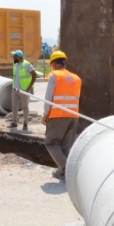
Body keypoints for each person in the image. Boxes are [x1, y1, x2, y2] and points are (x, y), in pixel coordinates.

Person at [42, 51, 81, 180]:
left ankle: (66, 169)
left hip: (58, 115)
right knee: (65, 146)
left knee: (51, 143)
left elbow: (48, 98)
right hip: (73, 116)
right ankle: (63, 173)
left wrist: (45, 115)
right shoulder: (77, 78)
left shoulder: (54, 76)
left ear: (53, 64)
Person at [10, 50, 37, 131]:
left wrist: (29, 87)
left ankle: (25, 123)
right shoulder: (15, 64)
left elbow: (34, 75)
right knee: (14, 106)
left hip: (24, 90)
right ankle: (14, 122)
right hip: (15, 89)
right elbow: (14, 75)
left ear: (18, 57)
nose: (13, 57)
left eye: (14, 56)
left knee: (25, 107)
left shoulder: (27, 65)